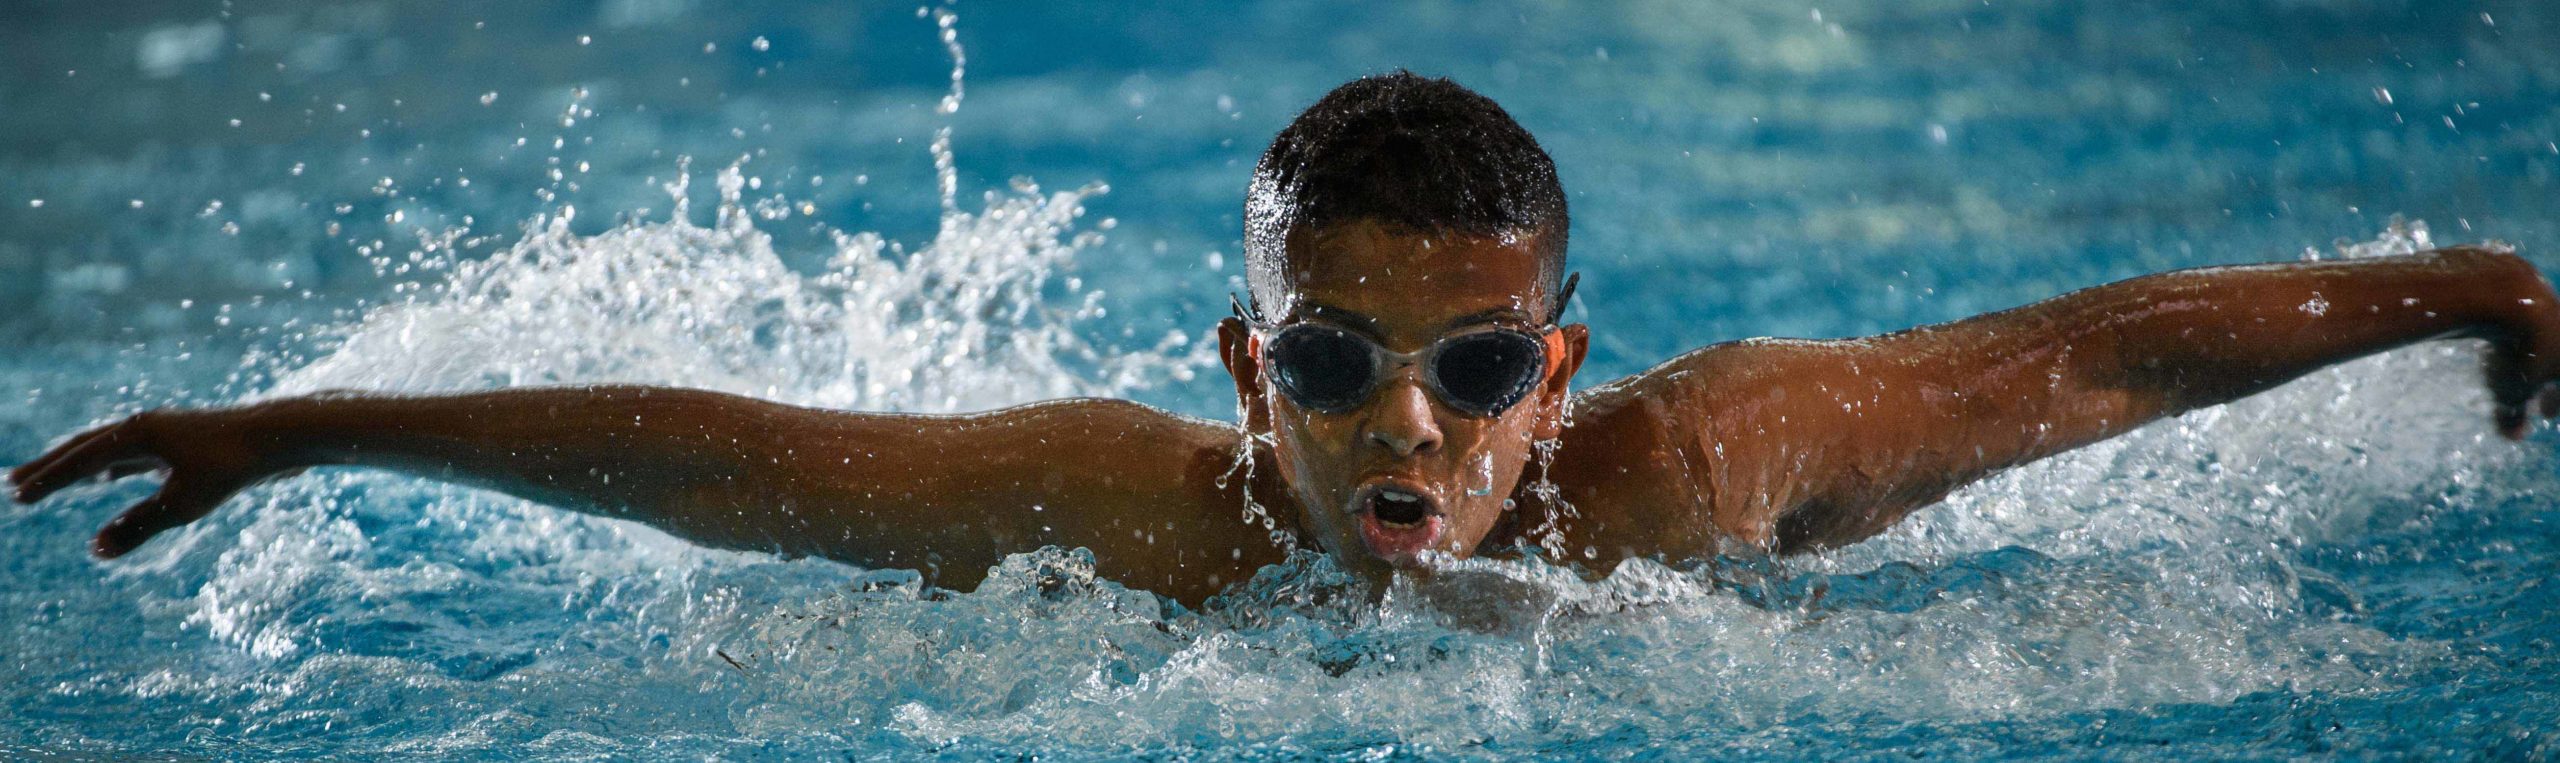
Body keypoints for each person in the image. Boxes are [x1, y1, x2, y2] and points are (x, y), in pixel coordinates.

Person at [11, 72, 2559, 608]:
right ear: (1245, 376)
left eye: (1469, 377)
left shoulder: (1678, 477)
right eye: (1328, 365)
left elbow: (2088, 363)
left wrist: (2449, 288)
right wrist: (316, 426)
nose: (1402, 433)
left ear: (1553, 376)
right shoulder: (1143, 513)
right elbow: (723, 457)